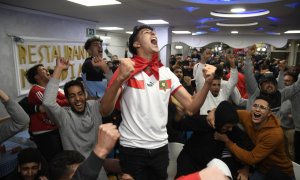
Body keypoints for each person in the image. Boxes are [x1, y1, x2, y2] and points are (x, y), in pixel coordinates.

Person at [100, 25, 215, 180]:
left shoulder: (166, 73)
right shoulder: (126, 70)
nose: (153, 33)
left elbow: (191, 107)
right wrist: (120, 78)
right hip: (132, 147)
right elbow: (105, 110)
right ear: (136, 44)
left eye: (153, 32)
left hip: (160, 147)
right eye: (146, 33)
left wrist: (208, 83)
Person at [43, 57, 112, 180]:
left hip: (97, 169)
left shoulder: (95, 107)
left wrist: (105, 68)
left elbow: (113, 93)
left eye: (80, 94)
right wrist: (58, 69)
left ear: (85, 95)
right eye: (72, 96)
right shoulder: (63, 116)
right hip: (75, 173)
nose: (78, 99)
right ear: (68, 100)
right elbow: (48, 102)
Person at [212, 96, 295, 180]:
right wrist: (213, 112)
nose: (257, 109)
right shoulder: (247, 116)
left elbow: (251, 158)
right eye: (255, 105)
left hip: (281, 174)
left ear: (269, 113)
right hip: (261, 169)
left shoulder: (274, 134)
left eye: (262, 107)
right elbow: (226, 112)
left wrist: (227, 141)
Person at [26, 64, 67, 161]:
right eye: (43, 69)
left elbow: (65, 99)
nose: (47, 70)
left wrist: (69, 100)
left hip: (55, 127)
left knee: (62, 157)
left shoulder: (50, 88)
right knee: (54, 160)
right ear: (36, 76)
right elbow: (54, 104)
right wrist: (70, 100)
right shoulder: (36, 90)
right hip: (44, 132)